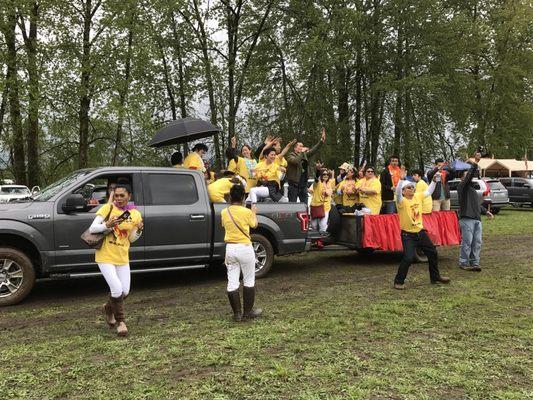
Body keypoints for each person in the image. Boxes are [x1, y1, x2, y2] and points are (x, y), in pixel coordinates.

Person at [88, 184, 143, 336]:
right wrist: (107, 225)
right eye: (116, 195)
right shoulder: (108, 209)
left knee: (124, 291)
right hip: (105, 255)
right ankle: (121, 322)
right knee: (117, 289)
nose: (118, 198)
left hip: (122, 256)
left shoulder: (135, 214)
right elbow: (92, 228)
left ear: (129, 197)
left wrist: (139, 230)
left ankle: (108, 307)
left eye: (122, 196)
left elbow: (131, 238)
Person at [393, 173, 450, 290]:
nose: (412, 188)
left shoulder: (417, 197)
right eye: (408, 187)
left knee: (433, 253)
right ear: (403, 191)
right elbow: (398, 192)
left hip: (420, 232)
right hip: (408, 235)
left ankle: (435, 277)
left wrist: (434, 181)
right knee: (408, 258)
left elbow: (428, 192)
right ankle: (398, 281)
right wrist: (401, 180)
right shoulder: (401, 201)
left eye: (412, 187)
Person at [221, 184, 262, 322]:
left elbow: (224, 225)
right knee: (249, 279)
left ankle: (237, 314)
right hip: (245, 247)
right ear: (244, 197)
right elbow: (254, 225)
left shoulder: (224, 212)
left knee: (232, 281)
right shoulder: (246, 212)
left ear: (231, 197)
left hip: (230, 249)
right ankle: (248, 311)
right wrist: (254, 213)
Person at [457, 152, 494, 271]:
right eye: (466, 174)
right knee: (467, 242)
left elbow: (476, 204)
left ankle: (474, 263)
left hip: (476, 218)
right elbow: (469, 177)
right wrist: (475, 163)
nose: (469, 176)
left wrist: (485, 211)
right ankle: (463, 262)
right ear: (462, 178)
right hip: (466, 218)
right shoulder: (462, 187)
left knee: (477, 242)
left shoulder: (472, 190)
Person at [286, 128, 326, 203]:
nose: (302, 147)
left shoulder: (304, 155)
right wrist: (302, 153)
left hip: (303, 185)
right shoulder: (290, 156)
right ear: (295, 148)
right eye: (300, 146)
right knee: (293, 205)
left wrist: (321, 141)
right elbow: (295, 161)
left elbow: (313, 150)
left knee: (304, 205)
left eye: (302, 146)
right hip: (294, 185)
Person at [309, 168, 333, 238]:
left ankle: (320, 241)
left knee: (323, 225)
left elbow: (338, 180)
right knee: (314, 226)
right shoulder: (317, 183)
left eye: (327, 174)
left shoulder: (330, 183)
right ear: (321, 175)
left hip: (325, 207)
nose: (326, 175)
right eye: (324, 174)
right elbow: (315, 179)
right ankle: (314, 241)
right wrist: (318, 171)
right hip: (316, 207)